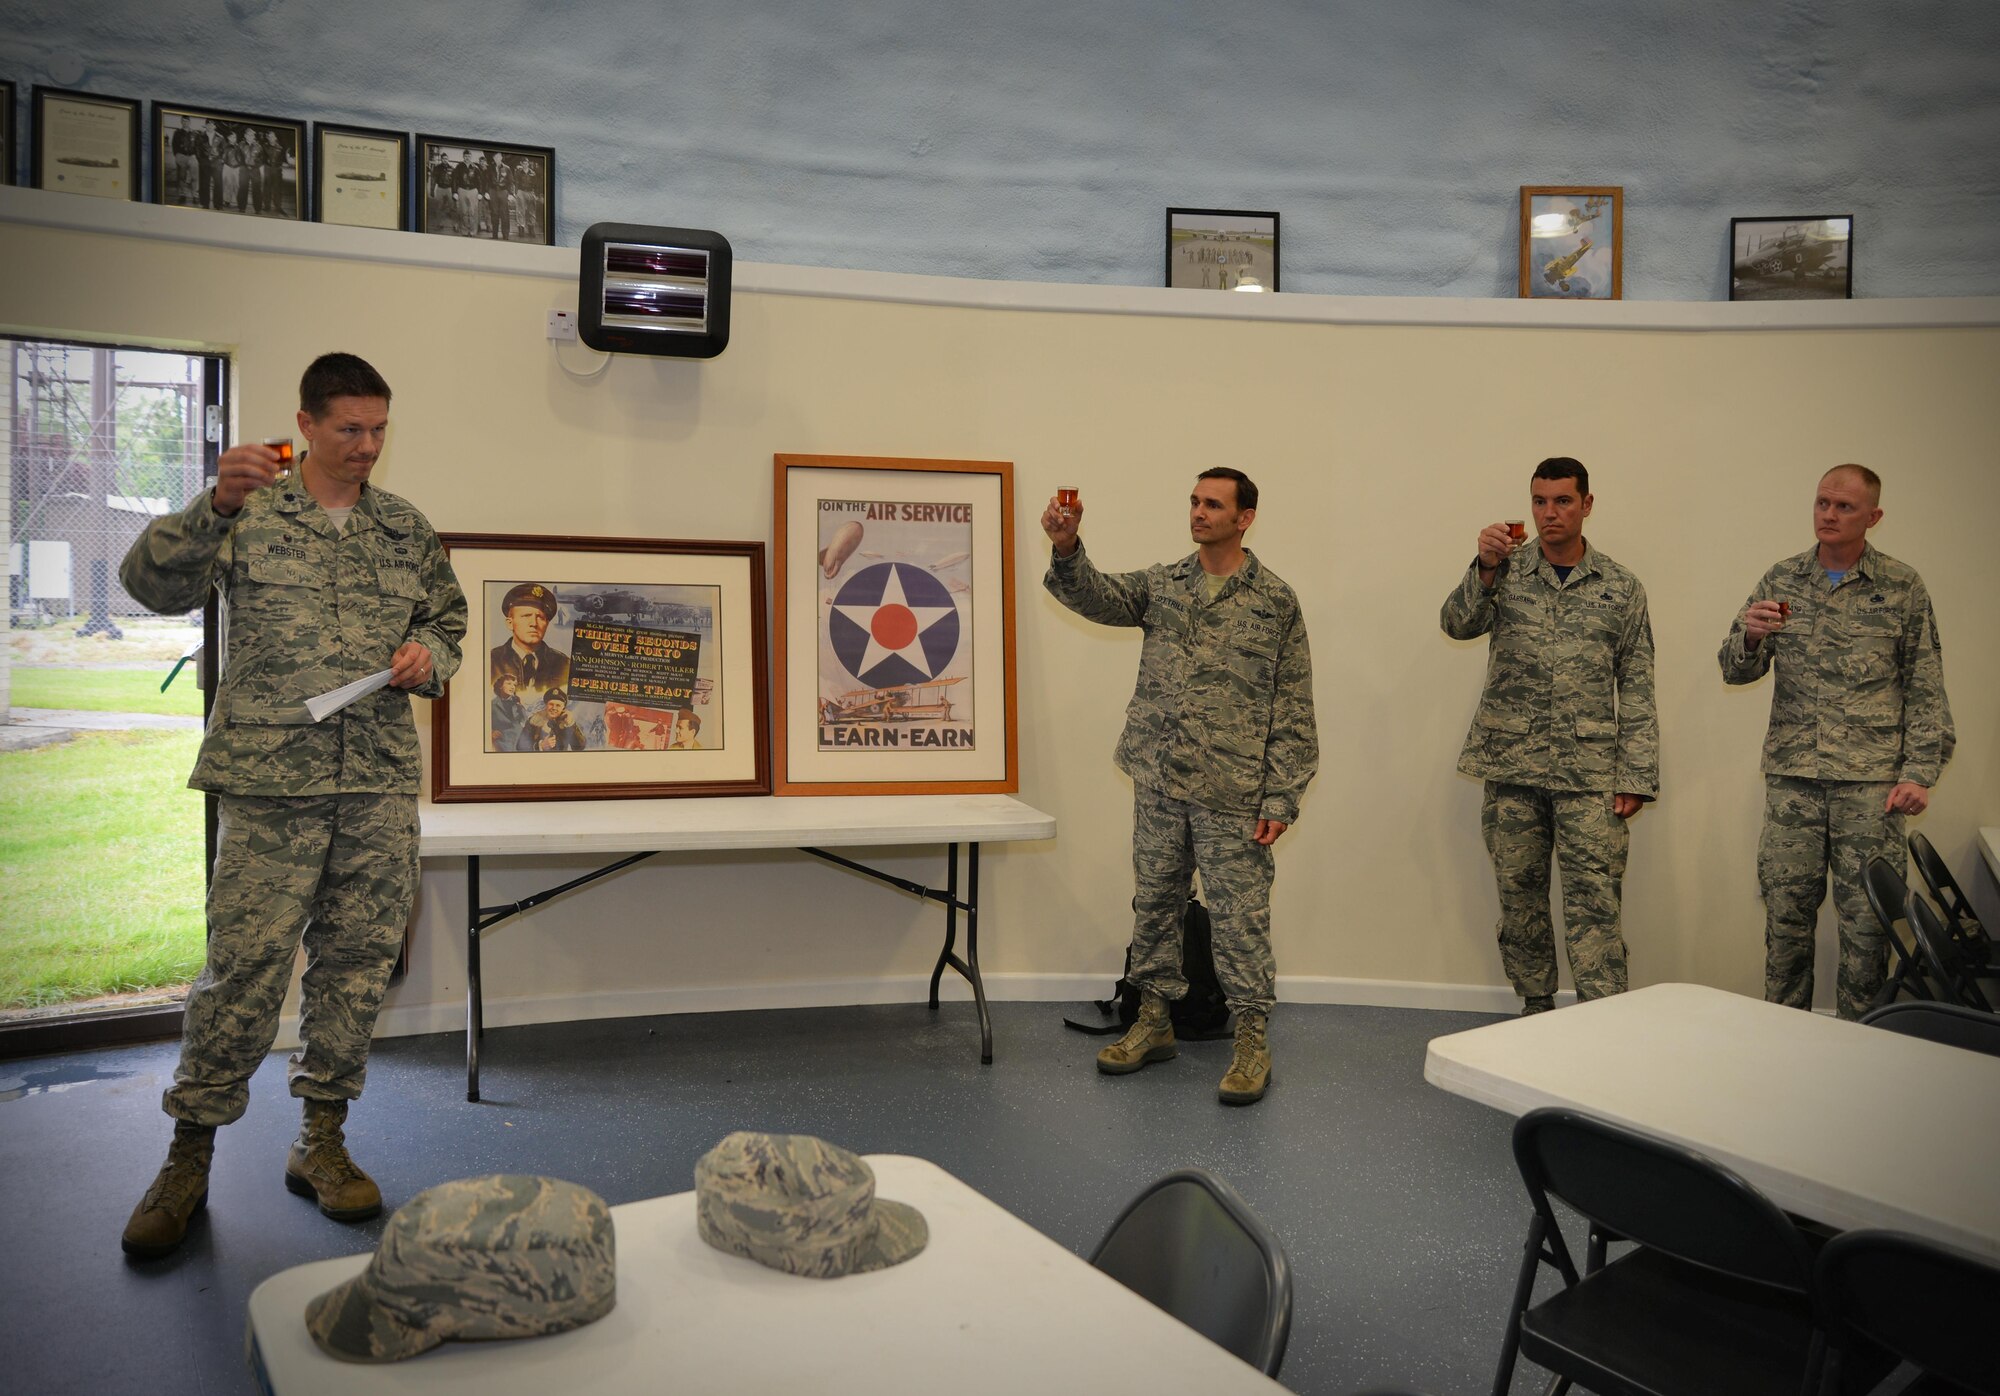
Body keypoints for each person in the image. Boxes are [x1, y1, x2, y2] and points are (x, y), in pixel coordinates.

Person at [116, 353, 467, 1259]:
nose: (367, 447)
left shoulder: (402, 527)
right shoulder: (249, 514)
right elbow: (148, 585)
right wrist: (214, 505)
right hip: (273, 783)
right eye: (349, 429)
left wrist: (431, 657)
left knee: (355, 968)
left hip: (378, 783)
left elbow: (449, 622)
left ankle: (322, 1143)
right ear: (305, 424)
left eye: (379, 429)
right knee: (242, 972)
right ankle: (187, 1159)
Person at [1044, 469, 1317, 1105]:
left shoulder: (1275, 601)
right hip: (1160, 777)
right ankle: (1152, 1020)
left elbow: (1295, 706)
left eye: (1213, 504)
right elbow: (1096, 596)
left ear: (1244, 517)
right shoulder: (1165, 585)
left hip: (1234, 788)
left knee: (1239, 918)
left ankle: (1251, 1038)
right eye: (1194, 501)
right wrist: (1066, 547)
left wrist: (1282, 796)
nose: (1198, 512)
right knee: (1156, 903)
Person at [1719, 464, 1953, 1020]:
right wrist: (1750, 638)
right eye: (1822, 502)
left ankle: (1860, 1040)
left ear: (1873, 517)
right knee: (1786, 914)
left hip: (1871, 788)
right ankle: (1783, 1035)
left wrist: (1919, 772)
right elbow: (1734, 670)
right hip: (1794, 779)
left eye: (1844, 506)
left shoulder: (1901, 587)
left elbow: (1925, 685)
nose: (1829, 514)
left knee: (1868, 925)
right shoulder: (1781, 579)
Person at [1441, 458, 1658, 1015]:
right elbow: (1457, 625)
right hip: (1513, 767)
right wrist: (1484, 568)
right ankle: (1535, 1010)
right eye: (1540, 501)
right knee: (1521, 902)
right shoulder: (1506, 569)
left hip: (1591, 776)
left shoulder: (1621, 586)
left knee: (1595, 907)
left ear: (1587, 505)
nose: (1549, 513)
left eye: (1563, 501)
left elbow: (1636, 684)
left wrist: (1635, 776)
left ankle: (1601, 1021)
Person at [488, 582, 569, 706]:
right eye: (526, 616)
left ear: (546, 624)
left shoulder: (565, 665)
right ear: (510, 623)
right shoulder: (490, 661)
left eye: (540, 617)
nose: (534, 623)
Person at [519, 688, 586, 751]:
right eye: (551, 704)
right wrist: (540, 746)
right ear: (546, 705)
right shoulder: (534, 721)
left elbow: (579, 747)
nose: (554, 708)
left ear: (563, 708)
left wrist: (570, 724)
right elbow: (520, 746)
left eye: (558, 705)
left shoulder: (567, 722)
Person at [490, 671, 528, 752]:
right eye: (509, 683)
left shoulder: (518, 704)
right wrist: (490, 732)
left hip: (518, 743)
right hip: (500, 745)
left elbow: (525, 722)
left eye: (514, 685)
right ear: (500, 686)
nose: (512, 687)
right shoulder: (492, 705)